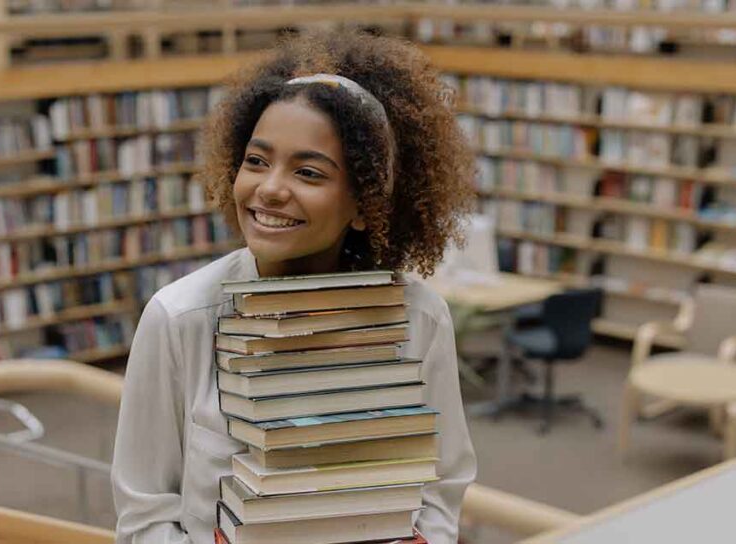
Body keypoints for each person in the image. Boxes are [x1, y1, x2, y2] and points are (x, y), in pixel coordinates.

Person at [112, 28, 477, 544]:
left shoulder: (420, 318)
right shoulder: (179, 318)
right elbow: (144, 517)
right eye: (256, 161)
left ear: (363, 205)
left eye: (308, 172)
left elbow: (442, 487)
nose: (270, 189)